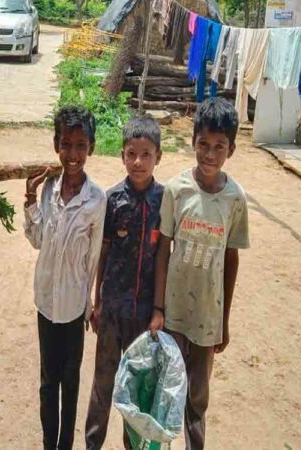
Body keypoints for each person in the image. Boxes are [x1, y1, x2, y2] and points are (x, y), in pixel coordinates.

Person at [149, 97, 250, 450]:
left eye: (219, 147)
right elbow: (163, 249)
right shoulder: (177, 190)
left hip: (208, 316)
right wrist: (159, 308)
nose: (209, 154)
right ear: (192, 142)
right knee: (167, 388)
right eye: (203, 145)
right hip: (174, 314)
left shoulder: (235, 199)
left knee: (198, 398)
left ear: (231, 150)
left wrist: (224, 320)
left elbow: (231, 258)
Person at [24, 106, 106, 450]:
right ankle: (48, 443)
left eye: (80, 146)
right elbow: (38, 239)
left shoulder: (96, 200)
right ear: (56, 144)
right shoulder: (47, 189)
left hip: (74, 307)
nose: (72, 155)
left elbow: (95, 256)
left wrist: (92, 303)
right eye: (66, 144)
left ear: (91, 148)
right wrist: (30, 200)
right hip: (46, 302)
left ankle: (64, 446)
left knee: (70, 383)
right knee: (48, 382)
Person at [85, 115, 163, 450]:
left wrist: (159, 308)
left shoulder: (165, 201)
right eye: (131, 153)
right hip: (113, 310)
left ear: (158, 157)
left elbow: (164, 257)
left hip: (145, 316)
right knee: (103, 385)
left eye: (146, 154)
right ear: (121, 155)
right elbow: (101, 253)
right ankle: (92, 444)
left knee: (138, 389)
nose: (138, 162)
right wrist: (97, 301)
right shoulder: (111, 199)